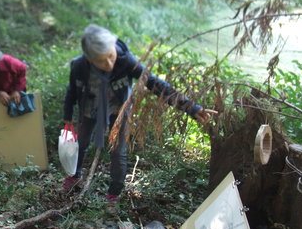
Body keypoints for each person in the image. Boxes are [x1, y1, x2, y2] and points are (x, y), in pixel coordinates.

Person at [62, 25, 217, 214]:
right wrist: (67, 117)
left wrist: (191, 107)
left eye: (110, 57)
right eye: (101, 62)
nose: (109, 64)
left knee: (118, 152)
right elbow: (71, 91)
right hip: (89, 108)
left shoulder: (126, 60)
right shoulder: (79, 66)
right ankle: (75, 175)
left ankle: (113, 195)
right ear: (89, 59)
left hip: (118, 110)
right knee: (82, 142)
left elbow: (154, 83)